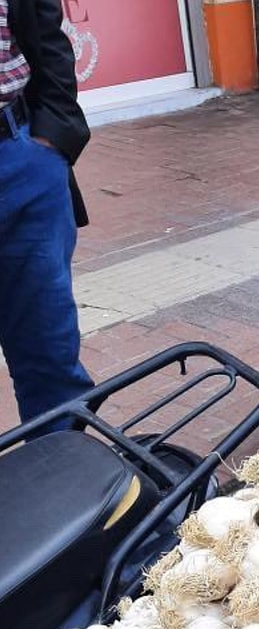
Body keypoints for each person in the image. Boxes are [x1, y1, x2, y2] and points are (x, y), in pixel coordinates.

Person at [1, 0, 93, 428]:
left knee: (49, 353)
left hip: (21, 161)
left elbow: (49, 38)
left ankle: (70, 484)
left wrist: (53, 137)